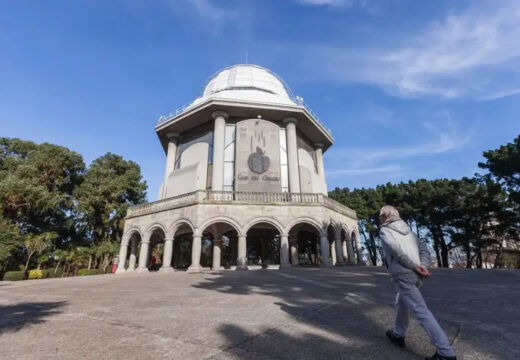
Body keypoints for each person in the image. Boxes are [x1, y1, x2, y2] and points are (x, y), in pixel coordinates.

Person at [379, 205, 457, 360]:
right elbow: (425, 251)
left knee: (421, 311)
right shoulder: (411, 233)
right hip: (416, 276)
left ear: (386, 216)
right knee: (403, 303)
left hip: (403, 275)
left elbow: (396, 251)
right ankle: (398, 334)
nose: (379, 220)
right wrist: (423, 266)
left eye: (380, 216)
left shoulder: (385, 230)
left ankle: (445, 352)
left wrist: (415, 266)